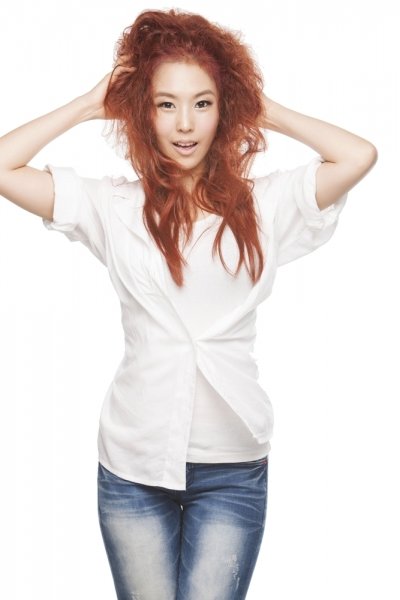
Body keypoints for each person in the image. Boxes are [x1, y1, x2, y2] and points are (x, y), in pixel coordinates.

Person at [0, 8, 377, 600]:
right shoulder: (112, 207)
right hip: (133, 462)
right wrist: (87, 104)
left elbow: (358, 155)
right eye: (165, 103)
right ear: (143, 113)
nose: (184, 123)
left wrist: (257, 104)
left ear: (223, 110)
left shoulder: (265, 205)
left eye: (203, 103)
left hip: (232, 464)